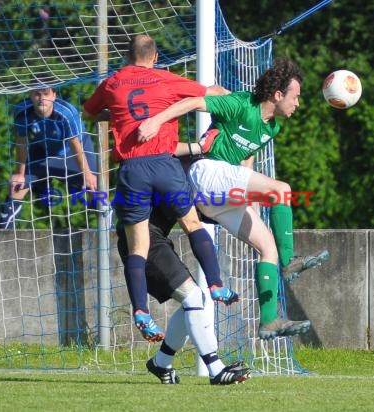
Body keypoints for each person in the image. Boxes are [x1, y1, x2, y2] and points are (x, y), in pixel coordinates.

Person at [137, 57, 330, 340]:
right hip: (206, 172)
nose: (298, 103)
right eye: (296, 96)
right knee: (283, 190)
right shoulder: (240, 104)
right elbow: (193, 102)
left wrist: (248, 200)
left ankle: (268, 321)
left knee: (268, 250)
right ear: (278, 95)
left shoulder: (271, 128)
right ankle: (291, 261)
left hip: (220, 195)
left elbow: (245, 163)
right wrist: (156, 121)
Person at [83, 34, 237, 342]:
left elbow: (88, 113)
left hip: (132, 171)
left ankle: (141, 311)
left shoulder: (113, 83)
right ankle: (217, 283)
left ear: (127, 57)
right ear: (155, 58)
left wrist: (115, 113)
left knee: (138, 247)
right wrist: (234, 106)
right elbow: (214, 93)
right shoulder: (166, 79)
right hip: (166, 166)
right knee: (192, 224)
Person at [116, 205, 251, 385]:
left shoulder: (178, 180)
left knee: (194, 300)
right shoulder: (168, 178)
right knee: (193, 297)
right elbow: (192, 214)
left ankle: (162, 362)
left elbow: (198, 210)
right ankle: (215, 369)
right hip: (142, 237)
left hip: (153, 237)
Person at [0, 86, 98, 229]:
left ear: (54, 95)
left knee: (94, 187)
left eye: (46, 93)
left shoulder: (66, 113)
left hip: (72, 152)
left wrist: (87, 174)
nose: (42, 98)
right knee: (16, 187)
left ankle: (109, 233)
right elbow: (21, 142)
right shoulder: (22, 111)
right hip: (43, 150)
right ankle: (3, 237)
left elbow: (75, 144)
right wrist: (20, 173)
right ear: (30, 95)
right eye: (37, 94)